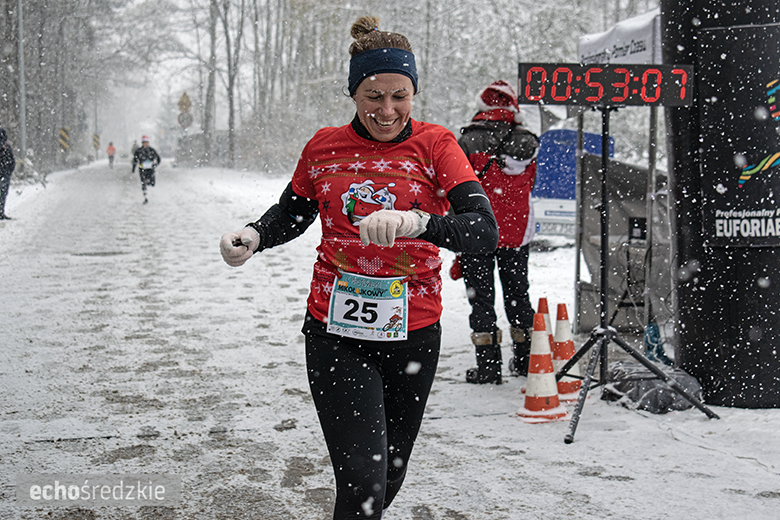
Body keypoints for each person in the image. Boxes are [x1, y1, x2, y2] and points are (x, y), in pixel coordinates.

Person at [219, 16, 497, 520]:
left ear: (413, 92)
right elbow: (295, 212)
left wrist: (417, 222)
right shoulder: (324, 147)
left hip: (413, 331)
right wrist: (255, 235)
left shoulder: (436, 146)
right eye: (373, 97)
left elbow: (483, 230)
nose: (387, 111)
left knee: (389, 472)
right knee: (363, 479)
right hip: (335, 330)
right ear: (353, 94)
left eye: (400, 96)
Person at [457, 80, 540, 384]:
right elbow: (531, 185)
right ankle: (527, 359)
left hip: (477, 231)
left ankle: (488, 367)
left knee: (481, 299)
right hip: (516, 234)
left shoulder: (467, 141)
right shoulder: (528, 141)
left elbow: (454, 188)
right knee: (519, 295)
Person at [131, 136, 161, 204]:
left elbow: (158, 159)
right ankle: (145, 196)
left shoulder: (152, 150)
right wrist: (133, 168)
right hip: (142, 169)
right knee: (143, 182)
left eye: (146, 142)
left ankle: (151, 194)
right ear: (142, 143)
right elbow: (135, 160)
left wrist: (155, 165)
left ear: (148, 143)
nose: (145, 144)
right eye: (144, 143)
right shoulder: (139, 151)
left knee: (152, 183)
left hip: (150, 169)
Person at [0, 128, 15, 220]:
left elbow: (11, 161)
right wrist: (8, 171)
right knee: (3, 194)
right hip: (5, 174)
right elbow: (12, 161)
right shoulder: (7, 148)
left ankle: (1, 212)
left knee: (2, 193)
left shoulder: (7, 149)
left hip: (5, 174)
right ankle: (1, 212)